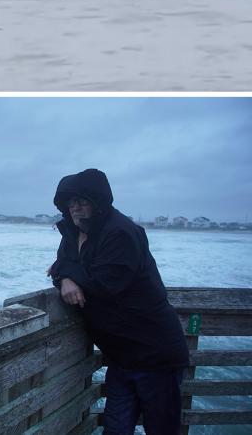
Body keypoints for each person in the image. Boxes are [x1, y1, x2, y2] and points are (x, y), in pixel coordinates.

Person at [48, 169, 189, 435]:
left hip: (156, 355)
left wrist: (63, 271)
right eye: (71, 201)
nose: (76, 206)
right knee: (115, 429)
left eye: (83, 200)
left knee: (161, 430)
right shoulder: (72, 233)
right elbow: (63, 267)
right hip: (121, 357)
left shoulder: (121, 232)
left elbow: (105, 284)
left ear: (98, 201)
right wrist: (64, 277)